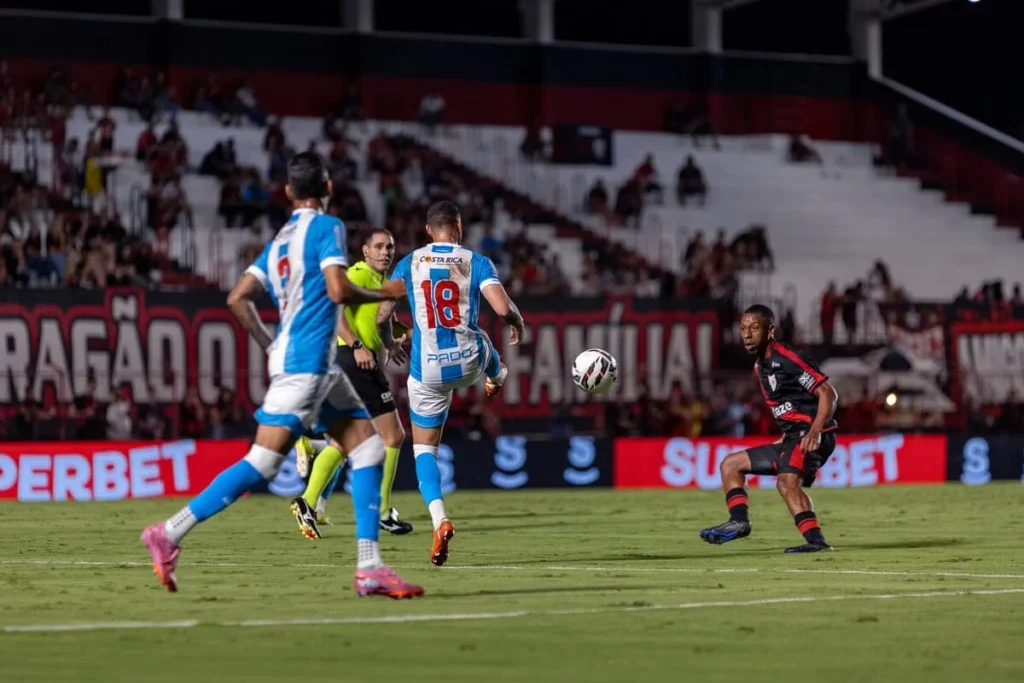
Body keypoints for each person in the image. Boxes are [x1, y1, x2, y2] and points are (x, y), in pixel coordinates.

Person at [140, 152, 423, 598]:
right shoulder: (327, 227)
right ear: (327, 188)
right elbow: (337, 290)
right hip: (309, 365)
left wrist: (271, 346)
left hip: (302, 363)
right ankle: (169, 532)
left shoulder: (278, 242)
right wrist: (385, 291)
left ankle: (369, 566)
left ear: (288, 192)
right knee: (265, 462)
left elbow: (237, 298)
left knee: (366, 447)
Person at [378, 200, 524, 566]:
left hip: (427, 370)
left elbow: (382, 314)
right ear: (459, 228)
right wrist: (517, 323)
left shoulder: (410, 262)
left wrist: (390, 342)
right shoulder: (476, 261)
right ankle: (497, 376)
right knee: (484, 341)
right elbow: (502, 308)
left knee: (424, 451)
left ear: (429, 230)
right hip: (468, 361)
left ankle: (439, 520)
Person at [290, 227, 415, 538]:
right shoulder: (359, 274)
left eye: (390, 247)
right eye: (379, 247)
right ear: (366, 251)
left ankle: (307, 502)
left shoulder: (383, 283)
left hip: (358, 361)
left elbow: (383, 322)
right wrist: (357, 345)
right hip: (354, 360)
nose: (385, 252)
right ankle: (383, 512)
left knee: (346, 441)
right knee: (393, 435)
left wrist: (393, 342)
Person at [699, 304, 839, 553]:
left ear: (770, 330)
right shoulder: (760, 366)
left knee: (786, 482)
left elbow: (828, 393)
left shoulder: (787, 357)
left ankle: (816, 542)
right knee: (731, 464)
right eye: (743, 328)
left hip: (811, 434)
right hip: (792, 437)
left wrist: (815, 430)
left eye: (754, 328)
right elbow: (792, 408)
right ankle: (739, 522)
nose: (747, 334)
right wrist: (785, 438)